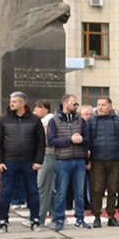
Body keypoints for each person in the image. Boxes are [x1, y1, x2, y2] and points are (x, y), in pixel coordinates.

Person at [0, 91, 46, 233]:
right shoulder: (3, 120)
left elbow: (41, 142)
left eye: (14, 101)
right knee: (6, 192)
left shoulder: (34, 120)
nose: (11, 104)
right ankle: (3, 221)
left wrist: (38, 160)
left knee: (33, 192)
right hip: (9, 162)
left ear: (23, 103)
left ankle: (35, 220)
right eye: (10, 101)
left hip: (30, 163)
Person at [47, 93, 89, 231]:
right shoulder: (54, 120)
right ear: (65, 103)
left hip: (79, 159)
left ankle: (80, 218)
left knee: (80, 192)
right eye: (73, 103)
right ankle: (59, 219)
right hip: (62, 160)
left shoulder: (81, 121)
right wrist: (69, 140)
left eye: (77, 104)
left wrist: (81, 140)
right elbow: (51, 141)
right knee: (61, 191)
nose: (76, 106)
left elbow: (89, 139)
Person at [87, 96, 119, 227]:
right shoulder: (91, 121)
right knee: (97, 189)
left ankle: (111, 215)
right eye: (98, 104)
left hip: (114, 159)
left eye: (103, 104)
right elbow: (86, 140)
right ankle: (97, 216)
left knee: (113, 189)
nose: (100, 107)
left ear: (110, 106)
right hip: (97, 160)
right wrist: (87, 159)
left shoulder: (118, 120)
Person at [32, 100, 57, 226]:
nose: (35, 111)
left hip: (48, 155)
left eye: (38, 108)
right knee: (49, 189)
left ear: (45, 109)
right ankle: (57, 215)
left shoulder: (49, 121)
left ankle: (39, 218)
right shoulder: (40, 122)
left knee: (42, 187)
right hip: (42, 155)